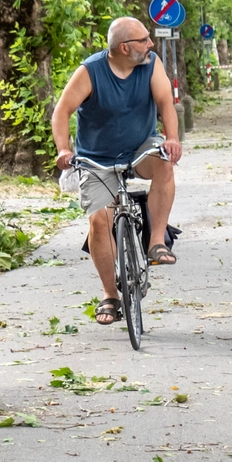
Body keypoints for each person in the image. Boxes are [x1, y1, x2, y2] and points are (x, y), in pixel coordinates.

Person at [52, 16, 182, 326]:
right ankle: (110, 295)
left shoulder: (151, 65)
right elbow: (62, 112)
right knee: (99, 221)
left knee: (164, 161)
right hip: (96, 158)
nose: (150, 44)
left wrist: (172, 138)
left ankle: (156, 242)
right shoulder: (90, 71)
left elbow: (165, 102)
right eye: (143, 40)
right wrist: (63, 150)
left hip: (140, 148)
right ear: (124, 47)